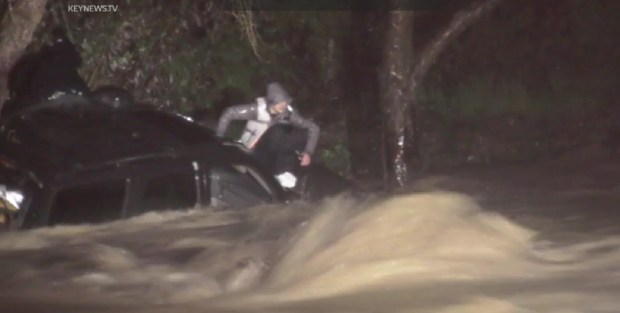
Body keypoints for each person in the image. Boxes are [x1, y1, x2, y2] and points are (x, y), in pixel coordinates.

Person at [216, 82, 320, 186]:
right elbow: (229, 113)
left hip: (273, 150)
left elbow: (313, 128)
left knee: (296, 135)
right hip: (253, 149)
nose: (283, 106)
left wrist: (308, 152)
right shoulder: (256, 110)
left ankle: (281, 172)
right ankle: (266, 172)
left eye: (284, 102)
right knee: (278, 132)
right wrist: (219, 137)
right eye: (279, 102)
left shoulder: (289, 114)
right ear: (271, 102)